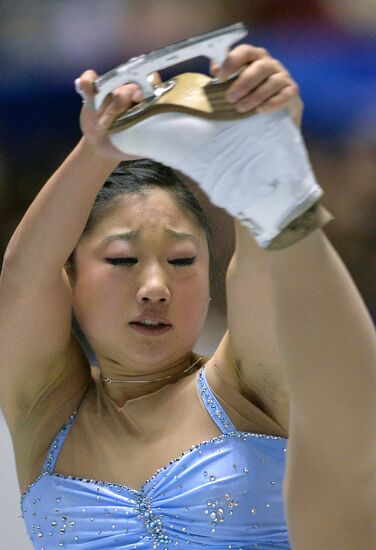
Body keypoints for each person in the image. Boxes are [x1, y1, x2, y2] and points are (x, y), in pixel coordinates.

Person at [0, 42, 375, 550]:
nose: (155, 288)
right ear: (70, 277)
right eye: (122, 261)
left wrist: (263, 148)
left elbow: (271, 267)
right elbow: (23, 277)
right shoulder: (43, 406)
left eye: (181, 262)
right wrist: (96, 148)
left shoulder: (245, 384)